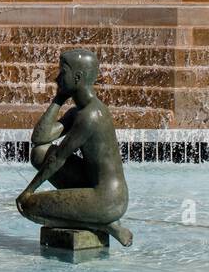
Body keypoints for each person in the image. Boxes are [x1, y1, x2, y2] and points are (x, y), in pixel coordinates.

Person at [15, 48, 133, 246]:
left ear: (77, 77)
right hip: (93, 184)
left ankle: (104, 225)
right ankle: (99, 221)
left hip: (108, 199)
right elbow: (40, 138)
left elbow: (58, 158)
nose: (56, 78)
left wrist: (28, 191)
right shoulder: (78, 111)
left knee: (28, 206)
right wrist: (58, 99)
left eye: (63, 72)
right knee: (38, 154)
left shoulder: (90, 116)